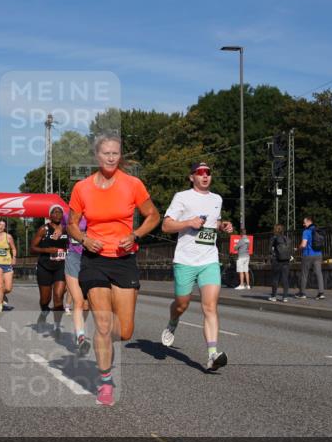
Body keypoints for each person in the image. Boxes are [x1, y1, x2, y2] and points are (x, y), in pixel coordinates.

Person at [68, 135, 160, 407]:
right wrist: (84, 239)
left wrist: (136, 234)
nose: (110, 157)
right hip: (94, 259)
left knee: (126, 330)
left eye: (115, 153)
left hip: (123, 259)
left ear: (120, 156)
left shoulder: (133, 184)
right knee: (104, 324)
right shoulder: (82, 188)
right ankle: (105, 380)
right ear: (97, 156)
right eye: (106, 153)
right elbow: (72, 224)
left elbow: (153, 215)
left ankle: (101, 342)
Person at [159, 162, 234, 371]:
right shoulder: (181, 197)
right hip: (185, 260)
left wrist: (222, 225)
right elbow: (166, 226)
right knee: (181, 304)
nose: (205, 176)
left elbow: (213, 223)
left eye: (208, 173)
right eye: (200, 173)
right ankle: (173, 320)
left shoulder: (216, 199)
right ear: (192, 177)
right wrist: (187, 223)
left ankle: (212, 355)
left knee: (210, 306)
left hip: (209, 259)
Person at [31, 204, 69, 333]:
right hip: (45, 267)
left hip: (61, 266)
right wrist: (47, 250)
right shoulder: (44, 229)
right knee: (45, 299)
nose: (58, 215)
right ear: (50, 216)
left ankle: (57, 326)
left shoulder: (66, 229)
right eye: (55, 212)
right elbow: (33, 248)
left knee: (58, 297)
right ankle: (44, 312)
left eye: (60, 212)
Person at [64, 214, 91, 355]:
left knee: (87, 304)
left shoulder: (93, 215)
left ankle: (78, 329)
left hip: (89, 260)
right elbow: (61, 227)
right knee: (78, 301)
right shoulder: (67, 215)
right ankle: (81, 336)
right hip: (73, 258)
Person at [296, 216, 325, 299]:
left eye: (304, 222)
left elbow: (304, 244)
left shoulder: (306, 231)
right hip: (318, 254)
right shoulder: (318, 230)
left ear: (309, 222)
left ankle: (302, 293)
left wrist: (298, 248)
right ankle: (321, 293)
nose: (303, 224)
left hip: (308, 254)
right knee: (319, 273)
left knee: (304, 274)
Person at [268, 223, 292, 302]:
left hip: (277, 260)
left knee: (275, 279)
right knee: (285, 279)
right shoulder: (287, 238)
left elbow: (269, 250)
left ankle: (274, 296)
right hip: (286, 261)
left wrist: (273, 254)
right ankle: (285, 297)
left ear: (275, 229)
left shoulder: (274, 238)